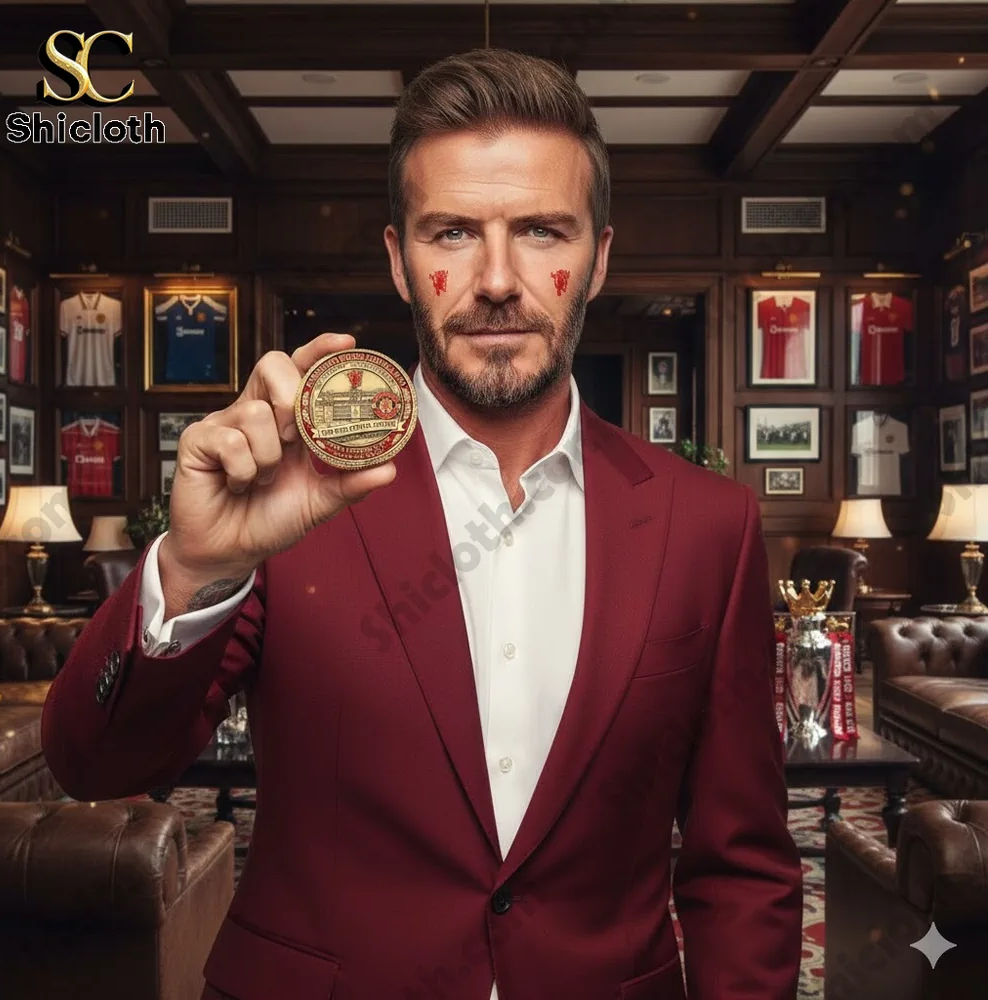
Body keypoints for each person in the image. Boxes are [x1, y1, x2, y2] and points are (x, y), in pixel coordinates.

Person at [41, 48, 803, 1000]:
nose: (495, 279)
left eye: (540, 231)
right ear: (400, 262)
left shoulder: (708, 523)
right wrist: (193, 568)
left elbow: (744, 870)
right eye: (451, 232)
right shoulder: (290, 499)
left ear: (598, 258)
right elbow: (93, 764)